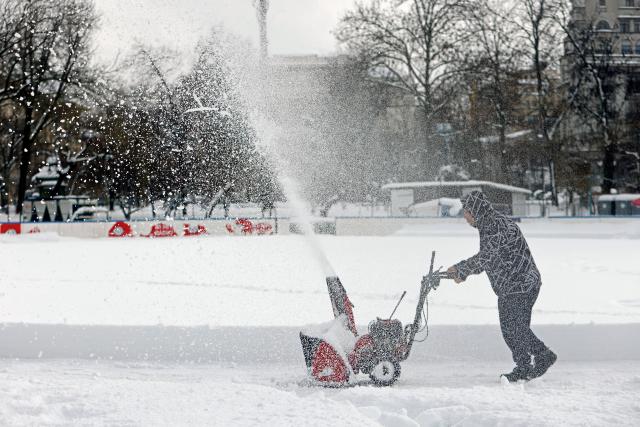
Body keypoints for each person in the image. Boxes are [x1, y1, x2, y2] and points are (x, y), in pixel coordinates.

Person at [447, 191, 556, 382]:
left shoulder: (496, 226)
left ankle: (536, 359)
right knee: (514, 328)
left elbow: (487, 257)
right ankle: (531, 361)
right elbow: (490, 258)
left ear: (476, 211)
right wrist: (461, 272)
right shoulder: (489, 224)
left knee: (515, 328)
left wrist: (461, 270)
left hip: (521, 284)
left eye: (466, 212)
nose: (464, 216)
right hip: (514, 285)